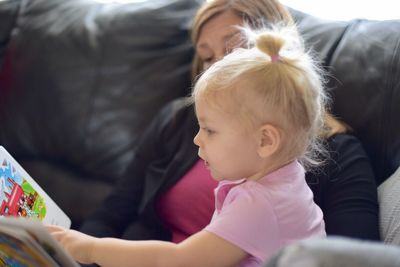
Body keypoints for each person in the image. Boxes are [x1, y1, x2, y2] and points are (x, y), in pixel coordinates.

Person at [79, 0, 379, 245]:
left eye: (234, 50)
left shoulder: (338, 153)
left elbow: (353, 255)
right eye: (207, 57)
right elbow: (113, 212)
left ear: (277, 56)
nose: (219, 66)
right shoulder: (177, 121)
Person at [49, 25, 327, 267]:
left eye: (209, 130)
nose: (197, 139)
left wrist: (90, 248)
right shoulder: (284, 180)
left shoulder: (260, 203)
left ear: (265, 141)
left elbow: (177, 261)